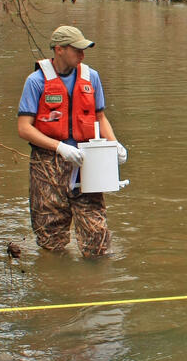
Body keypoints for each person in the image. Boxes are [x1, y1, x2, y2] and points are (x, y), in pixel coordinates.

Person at [16, 25, 127, 257]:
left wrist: (114, 144)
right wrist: (59, 147)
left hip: (88, 161)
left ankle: (96, 284)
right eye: (77, 50)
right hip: (47, 164)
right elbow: (24, 128)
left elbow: (100, 117)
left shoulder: (91, 78)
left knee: (97, 235)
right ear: (59, 49)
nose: (82, 55)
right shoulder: (36, 81)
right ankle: (56, 282)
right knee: (50, 236)